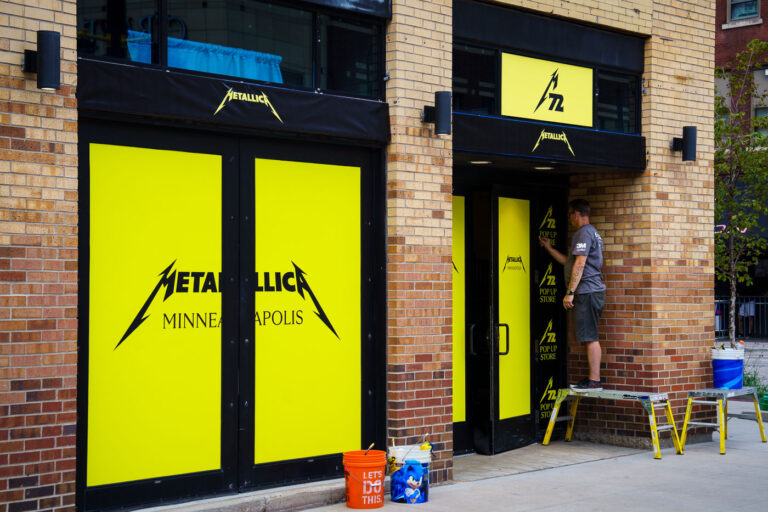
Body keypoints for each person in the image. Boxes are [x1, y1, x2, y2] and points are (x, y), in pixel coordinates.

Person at [539, 199, 606, 392]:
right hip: (590, 291)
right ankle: (593, 379)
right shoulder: (591, 232)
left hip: (587, 291)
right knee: (588, 335)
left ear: (576, 214)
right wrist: (549, 248)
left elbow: (580, 264)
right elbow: (570, 261)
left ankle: (595, 381)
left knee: (591, 336)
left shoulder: (584, 233)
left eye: (570, 215)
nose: (569, 219)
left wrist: (570, 292)